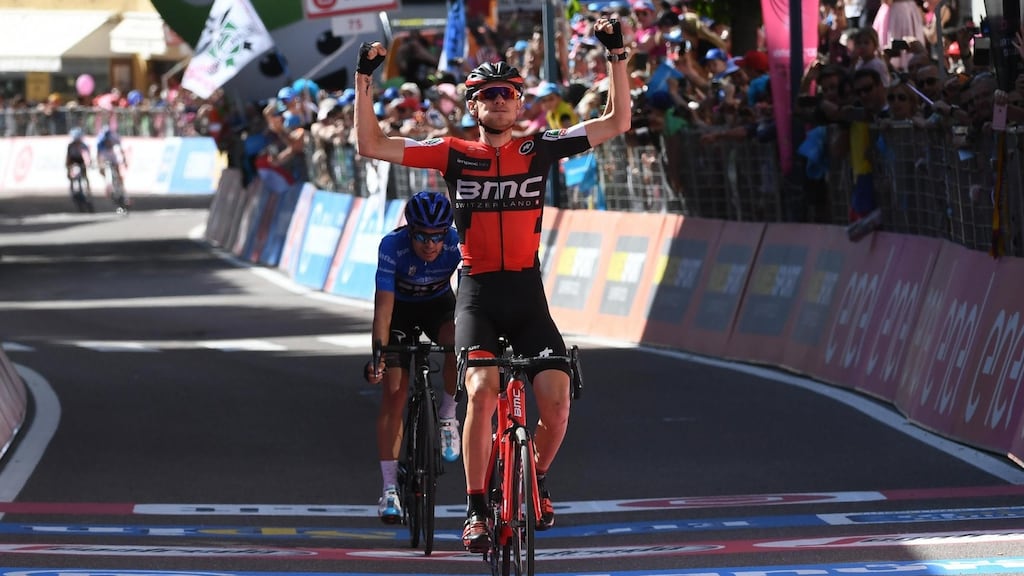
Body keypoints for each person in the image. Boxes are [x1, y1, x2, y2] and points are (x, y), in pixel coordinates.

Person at [352, 15, 631, 553]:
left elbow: (616, 122)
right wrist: (364, 82)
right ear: (473, 105)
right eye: (489, 94)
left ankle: (537, 479)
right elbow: (371, 143)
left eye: (509, 93)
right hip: (478, 293)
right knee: (480, 391)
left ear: (519, 104)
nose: (500, 100)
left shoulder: (541, 148)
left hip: (527, 294)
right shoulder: (453, 152)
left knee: (557, 403)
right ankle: (478, 509)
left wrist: (617, 54)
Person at [364, 191, 463, 524]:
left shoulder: (457, 243)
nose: (431, 245)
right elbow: (383, 309)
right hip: (400, 313)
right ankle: (389, 488)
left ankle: (448, 416)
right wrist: (379, 354)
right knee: (394, 393)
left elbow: (470, 299)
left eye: (437, 237)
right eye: (422, 236)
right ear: (410, 231)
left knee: (459, 342)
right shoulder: (392, 247)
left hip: (438, 306)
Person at [95, 125, 127, 199]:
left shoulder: (115, 138)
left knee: (119, 172)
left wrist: (124, 161)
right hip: (105, 154)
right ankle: (108, 186)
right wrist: (100, 165)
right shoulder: (100, 140)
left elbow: (121, 150)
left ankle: (122, 190)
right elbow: (99, 155)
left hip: (113, 153)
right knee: (105, 169)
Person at [66, 127, 92, 204]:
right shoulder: (70, 145)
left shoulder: (83, 145)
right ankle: (72, 190)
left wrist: (87, 163)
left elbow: (86, 156)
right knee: (71, 175)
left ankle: (87, 189)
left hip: (81, 160)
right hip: (73, 160)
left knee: (84, 174)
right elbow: (68, 157)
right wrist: (68, 166)